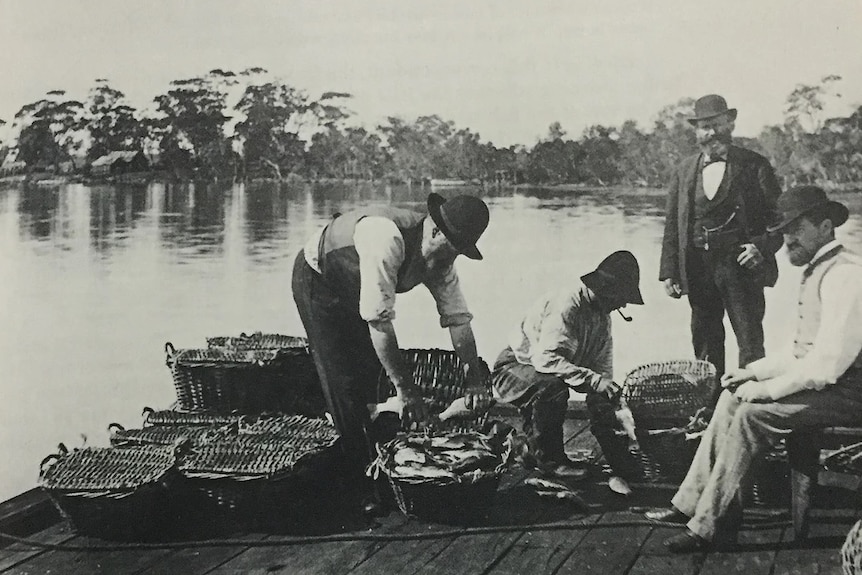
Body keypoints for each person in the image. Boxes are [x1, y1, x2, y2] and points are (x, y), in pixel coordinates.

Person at [646, 185, 862, 552]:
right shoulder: (818, 269)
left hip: (850, 393)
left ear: (826, 227)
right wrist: (754, 373)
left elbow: (828, 364)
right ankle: (690, 504)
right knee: (731, 400)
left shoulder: (847, 276)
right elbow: (801, 352)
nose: (788, 238)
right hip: (831, 386)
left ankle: (708, 529)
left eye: (798, 228)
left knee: (751, 416)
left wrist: (765, 391)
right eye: (785, 231)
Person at [292, 193, 493, 514]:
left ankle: (378, 465)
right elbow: (380, 323)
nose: (451, 262)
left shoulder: (442, 260)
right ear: (436, 231)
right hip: (320, 278)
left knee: (371, 377)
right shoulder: (385, 237)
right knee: (343, 383)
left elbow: (459, 322)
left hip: (360, 286)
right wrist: (406, 392)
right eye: (453, 251)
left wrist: (474, 381)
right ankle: (357, 487)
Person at [491, 251, 643, 492]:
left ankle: (526, 447)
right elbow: (546, 359)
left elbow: (602, 374)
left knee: (595, 392)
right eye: (621, 297)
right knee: (553, 388)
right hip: (513, 368)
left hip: (543, 373)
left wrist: (606, 395)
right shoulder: (566, 305)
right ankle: (552, 463)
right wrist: (594, 380)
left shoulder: (603, 319)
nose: (622, 304)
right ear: (605, 290)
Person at [659, 94, 783, 388]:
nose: (710, 133)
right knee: (704, 339)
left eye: (716, 125)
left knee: (749, 338)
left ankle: (750, 406)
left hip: (741, 266)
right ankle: (710, 409)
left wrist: (761, 247)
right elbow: (672, 224)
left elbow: (780, 218)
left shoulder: (754, 165)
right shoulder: (685, 169)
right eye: (704, 127)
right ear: (696, 131)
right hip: (698, 267)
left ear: (730, 124)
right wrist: (669, 271)